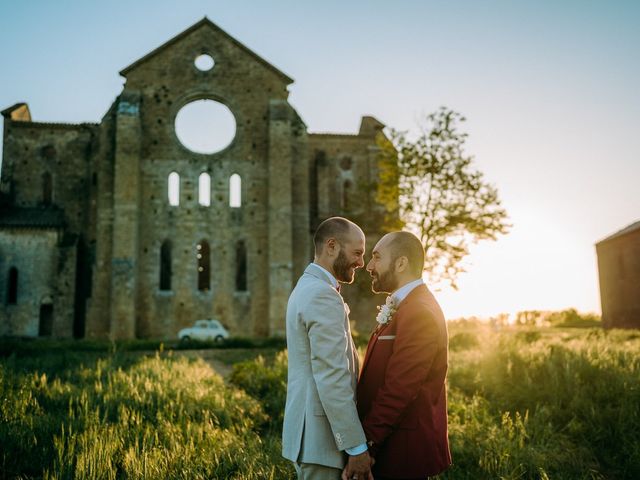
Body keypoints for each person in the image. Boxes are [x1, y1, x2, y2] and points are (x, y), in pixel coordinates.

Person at [283, 217, 374, 480]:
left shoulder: (308, 287)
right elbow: (332, 375)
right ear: (331, 246)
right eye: (357, 252)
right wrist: (356, 448)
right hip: (321, 440)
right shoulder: (321, 294)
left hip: (313, 439)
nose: (361, 263)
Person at [356, 231, 451, 479]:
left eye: (377, 257)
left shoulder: (419, 311)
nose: (369, 266)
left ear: (401, 263)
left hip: (402, 452)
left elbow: (400, 388)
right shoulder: (405, 305)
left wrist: (366, 445)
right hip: (392, 445)